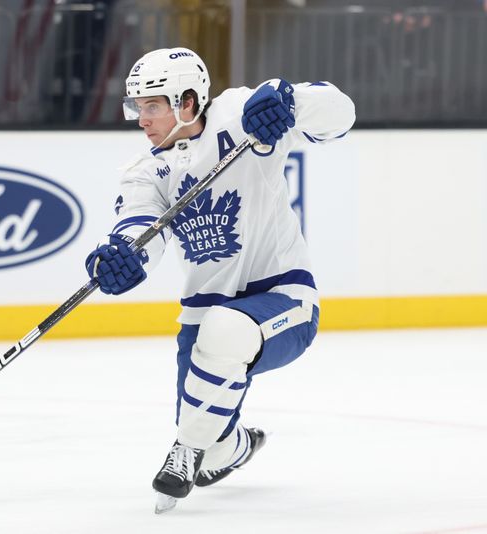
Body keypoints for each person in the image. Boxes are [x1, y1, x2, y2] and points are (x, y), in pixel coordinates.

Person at [84, 47, 355, 513]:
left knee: (224, 337)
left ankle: (182, 449)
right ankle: (233, 448)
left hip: (284, 299)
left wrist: (289, 100)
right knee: (213, 451)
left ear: (187, 100)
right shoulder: (144, 173)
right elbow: (138, 228)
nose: (142, 119)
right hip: (204, 316)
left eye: (152, 106)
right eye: (137, 107)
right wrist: (120, 259)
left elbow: (341, 113)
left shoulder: (239, 114)